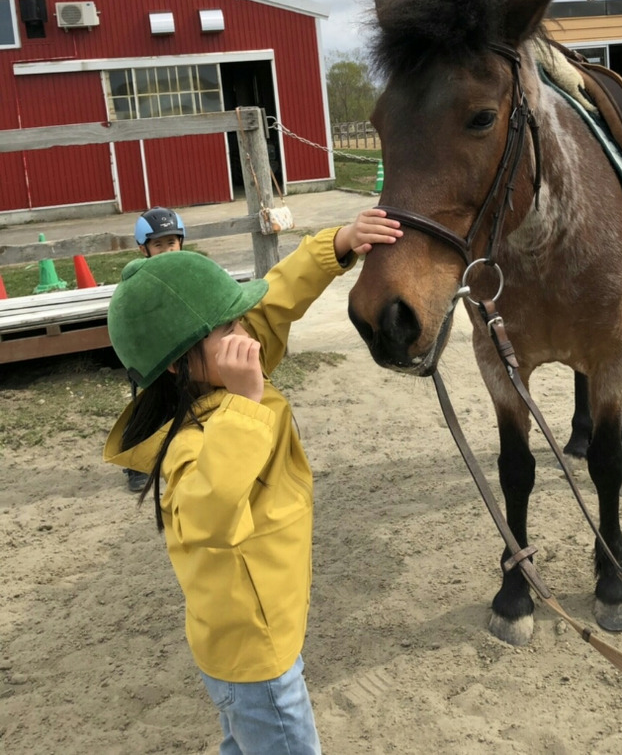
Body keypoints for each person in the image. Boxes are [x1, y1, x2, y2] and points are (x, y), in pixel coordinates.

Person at [103, 208, 402, 755]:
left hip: (266, 633)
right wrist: (245, 404)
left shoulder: (221, 364)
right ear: (176, 364)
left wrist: (338, 244)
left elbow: (275, 294)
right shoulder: (192, 439)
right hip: (253, 654)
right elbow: (207, 513)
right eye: (229, 329)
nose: (246, 335)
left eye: (240, 322)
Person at [124, 206, 188, 491]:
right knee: (150, 406)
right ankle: (137, 464)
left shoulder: (190, 272)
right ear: (144, 249)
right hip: (152, 354)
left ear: (181, 243)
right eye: (158, 245)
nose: (166, 250)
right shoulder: (139, 280)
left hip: (185, 348)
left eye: (171, 243)